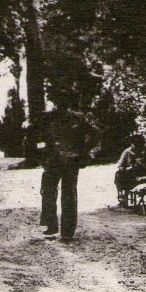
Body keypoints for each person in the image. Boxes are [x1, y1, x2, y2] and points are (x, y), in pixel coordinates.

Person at [36, 103, 93, 241]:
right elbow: (36, 136)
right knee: (48, 191)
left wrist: (83, 150)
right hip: (52, 161)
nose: (61, 104)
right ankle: (51, 225)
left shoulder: (78, 118)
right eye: (59, 100)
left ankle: (67, 231)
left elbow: (95, 133)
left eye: (64, 100)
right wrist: (42, 151)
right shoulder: (47, 118)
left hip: (71, 162)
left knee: (68, 195)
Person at [114, 135, 146, 206]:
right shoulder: (127, 152)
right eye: (135, 144)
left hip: (143, 174)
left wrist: (143, 165)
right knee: (118, 174)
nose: (138, 146)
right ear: (132, 144)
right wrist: (130, 167)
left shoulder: (145, 152)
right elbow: (120, 166)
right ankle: (123, 197)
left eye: (140, 144)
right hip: (131, 175)